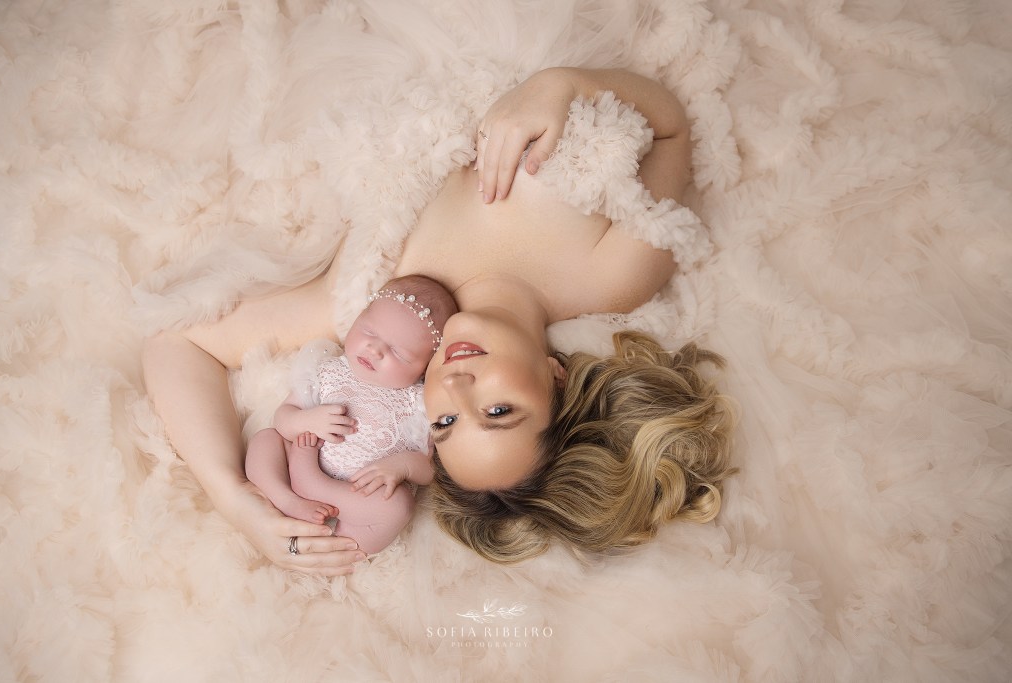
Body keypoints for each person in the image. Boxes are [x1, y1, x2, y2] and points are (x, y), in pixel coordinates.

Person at [143, 67, 733, 575]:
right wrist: (562, 85)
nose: (455, 386)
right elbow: (671, 128)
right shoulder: (611, 276)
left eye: (446, 422)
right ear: (556, 377)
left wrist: (234, 498)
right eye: (499, 412)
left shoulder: (371, 308)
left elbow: (179, 342)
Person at [244, 274, 458, 555]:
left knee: (398, 507)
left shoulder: (418, 403)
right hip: (300, 458)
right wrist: (305, 420)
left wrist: (403, 466)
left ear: (425, 368)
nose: (374, 349)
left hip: (354, 495)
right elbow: (283, 418)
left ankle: (339, 545)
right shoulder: (328, 369)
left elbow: (429, 469)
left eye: (398, 353)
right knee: (265, 440)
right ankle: (286, 499)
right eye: (369, 332)